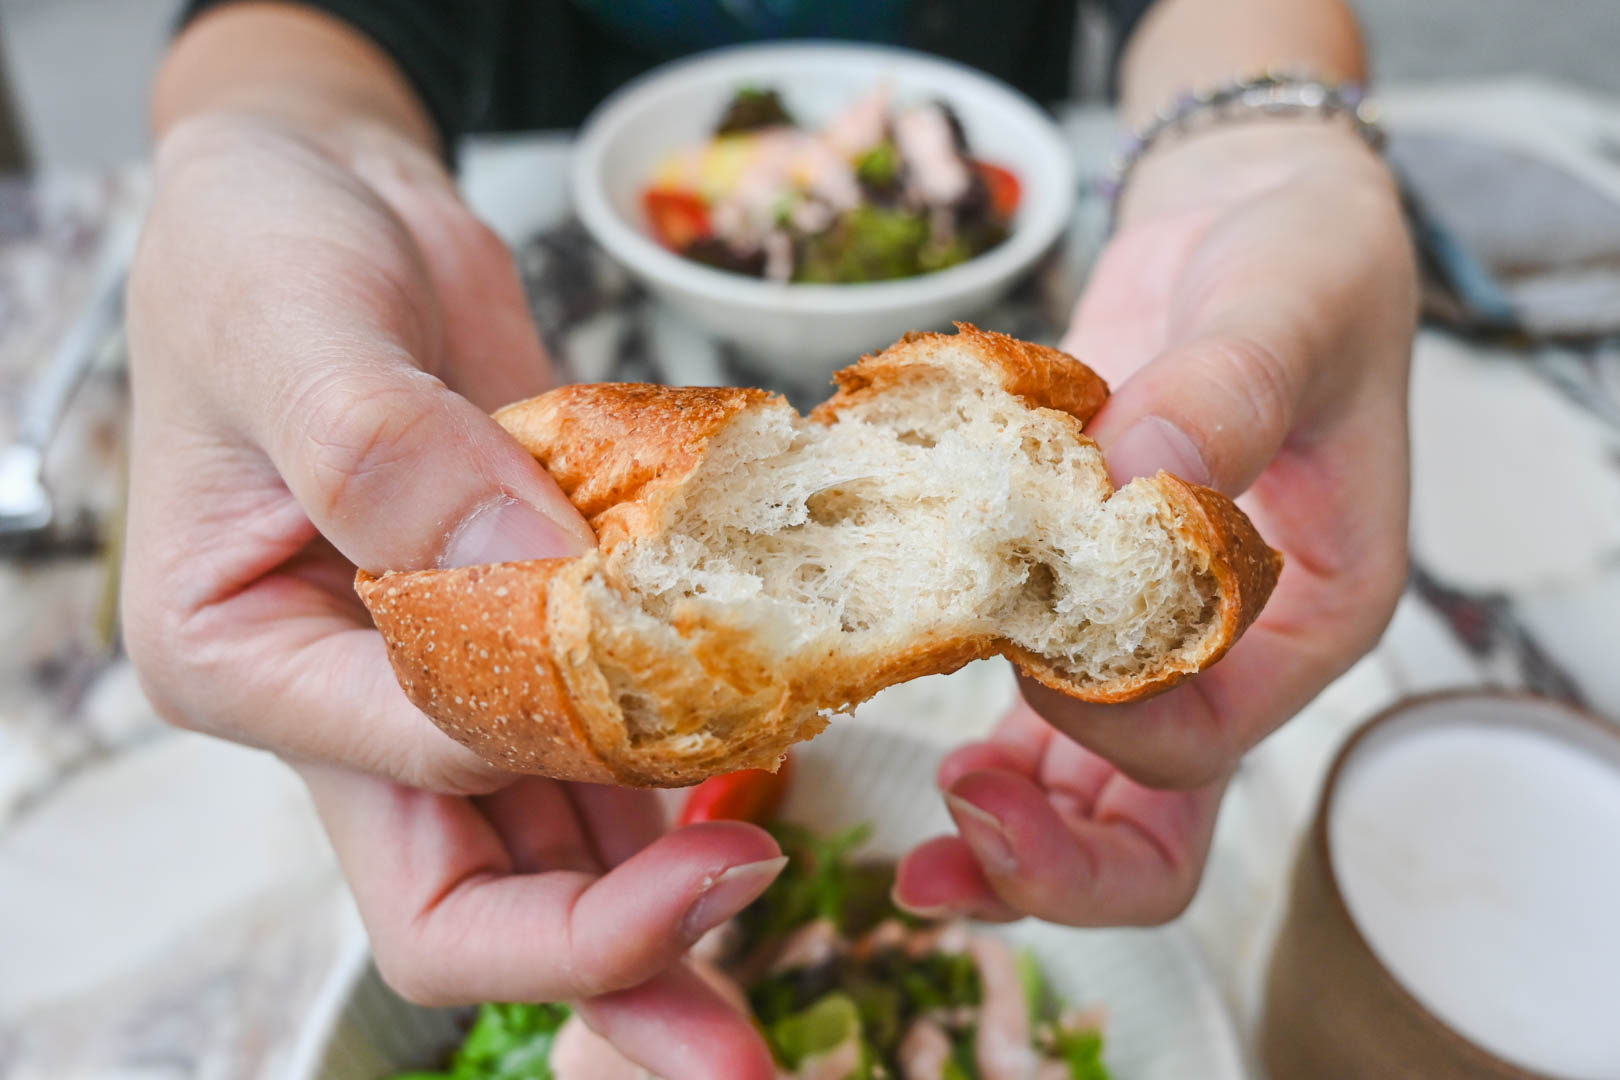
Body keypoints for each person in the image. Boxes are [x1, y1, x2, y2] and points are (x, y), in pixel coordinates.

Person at [122, 1, 1415, 1076]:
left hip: (1090, 297)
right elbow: (285, 30)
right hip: (493, 262)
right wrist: (293, 152)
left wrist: (1266, 150)